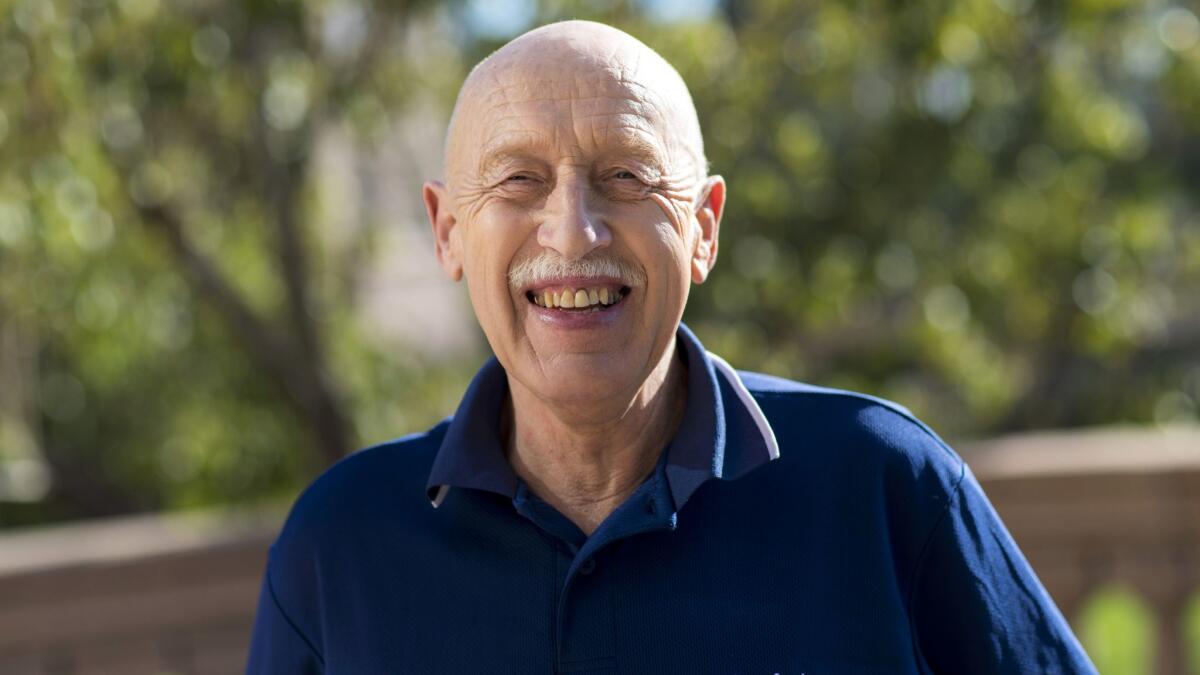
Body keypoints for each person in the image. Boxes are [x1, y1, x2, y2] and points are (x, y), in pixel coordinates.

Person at [246, 20, 1097, 674]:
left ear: (702, 227)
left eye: (626, 176)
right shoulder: (341, 542)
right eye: (519, 180)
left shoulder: (884, 484)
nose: (572, 231)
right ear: (448, 231)